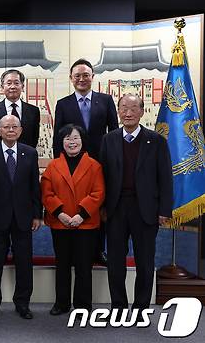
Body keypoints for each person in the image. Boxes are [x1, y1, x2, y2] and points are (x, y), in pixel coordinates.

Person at [100, 94, 172, 314]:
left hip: (146, 210)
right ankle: (118, 306)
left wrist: (164, 210)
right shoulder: (109, 139)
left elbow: (165, 178)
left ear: (142, 112)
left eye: (133, 108)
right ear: (118, 112)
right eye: (123, 108)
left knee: (145, 261)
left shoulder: (156, 140)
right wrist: (101, 208)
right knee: (115, 262)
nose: (128, 113)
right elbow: (101, 176)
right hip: (115, 208)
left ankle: (141, 307)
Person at [53, 58, 118, 265]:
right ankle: (73, 250)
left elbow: (114, 132)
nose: (82, 79)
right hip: (71, 163)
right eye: (77, 76)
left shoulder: (106, 100)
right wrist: (58, 167)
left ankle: (99, 249)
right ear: (71, 79)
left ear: (93, 77)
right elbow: (57, 138)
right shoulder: (63, 104)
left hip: (101, 162)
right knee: (74, 203)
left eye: (86, 75)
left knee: (99, 206)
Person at [0, 114, 42, 320]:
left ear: (21, 130)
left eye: (15, 126)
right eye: (6, 127)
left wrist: (37, 215)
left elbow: (35, 187)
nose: (11, 130)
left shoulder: (30, 153)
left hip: (24, 217)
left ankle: (23, 303)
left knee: (25, 263)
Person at [41, 124, 104, 315]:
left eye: (76, 138)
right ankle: (61, 303)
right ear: (62, 142)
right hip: (60, 223)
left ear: (83, 141)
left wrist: (80, 215)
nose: (72, 142)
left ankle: (83, 305)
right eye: (67, 138)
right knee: (62, 265)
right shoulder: (53, 166)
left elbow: (98, 193)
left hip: (85, 224)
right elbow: (47, 192)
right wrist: (60, 213)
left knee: (84, 266)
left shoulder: (94, 165)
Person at [0, 69, 40, 148]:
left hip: (25, 156)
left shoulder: (33, 111)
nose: (13, 86)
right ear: (2, 87)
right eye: (9, 83)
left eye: (16, 83)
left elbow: (34, 138)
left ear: (22, 86)